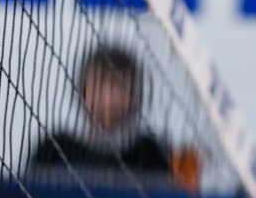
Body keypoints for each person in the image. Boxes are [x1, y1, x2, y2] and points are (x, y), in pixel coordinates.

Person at [29, 44, 171, 174]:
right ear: (82, 89)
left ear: (135, 96)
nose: (108, 99)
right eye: (99, 86)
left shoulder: (150, 153)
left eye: (120, 87)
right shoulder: (54, 149)